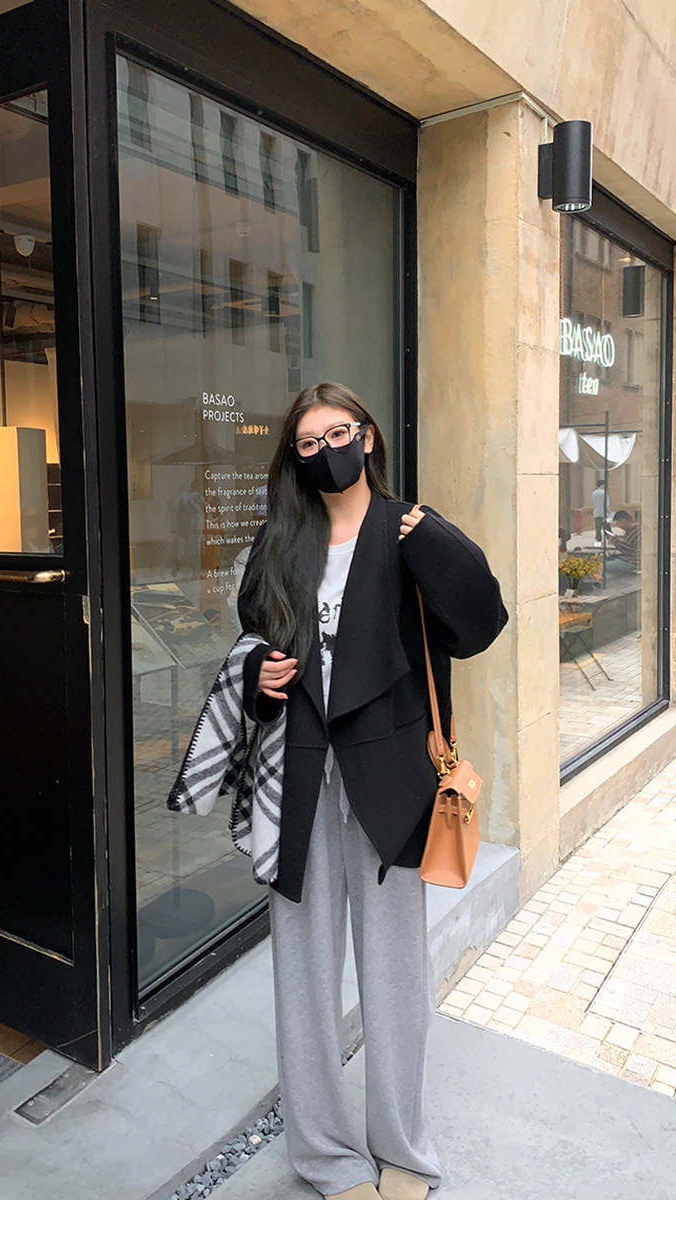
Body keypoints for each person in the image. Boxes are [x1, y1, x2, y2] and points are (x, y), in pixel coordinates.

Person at [236, 381, 508, 1201]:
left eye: (338, 434)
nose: (326, 451)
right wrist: (259, 675)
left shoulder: (407, 529)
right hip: (300, 779)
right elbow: (252, 638)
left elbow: (479, 624)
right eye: (308, 442)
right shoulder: (282, 539)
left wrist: (439, 540)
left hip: (389, 783)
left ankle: (404, 1150)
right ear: (294, 457)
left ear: (368, 436)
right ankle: (325, 1154)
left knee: (394, 978)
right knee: (303, 979)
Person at [592, 479, 610, 546]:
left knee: (598, 528)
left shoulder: (594, 493)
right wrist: (608, 512)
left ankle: (598, 541)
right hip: (604, 513)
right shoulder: (604, 493)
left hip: (596, 512)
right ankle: (609, 539)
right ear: (602, 485)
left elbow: (593, 502)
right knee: (607, 527)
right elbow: (607, 504)